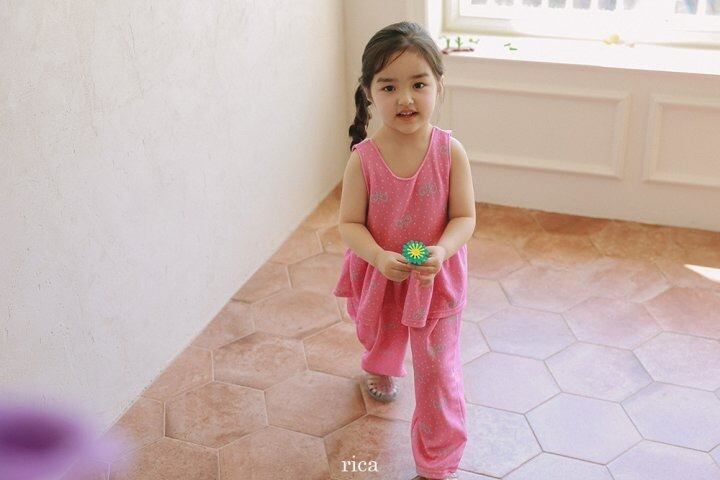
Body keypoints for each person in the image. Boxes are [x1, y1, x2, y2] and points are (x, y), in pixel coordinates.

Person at [332, 21, 476, 480]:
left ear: (439, 86)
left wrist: (443, 250)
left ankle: (437, 463)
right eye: (389, 86)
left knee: (438, 375)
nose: (405, 98)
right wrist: (378, 256)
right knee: (382, 337)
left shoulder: (450, 152)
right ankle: (381, 366)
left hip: (435, 283)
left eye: (418, 84)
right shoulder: (363, 159)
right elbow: (349, 224)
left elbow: (464, 217)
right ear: (369, 93)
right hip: (382, 276)